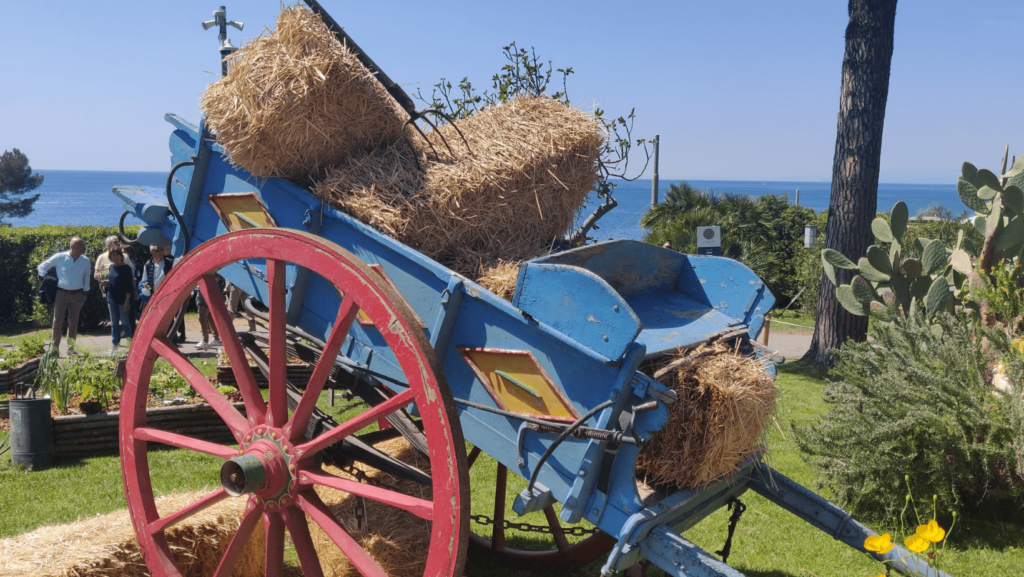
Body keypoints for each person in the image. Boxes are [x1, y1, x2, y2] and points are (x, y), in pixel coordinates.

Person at [37, 237, 91, 354]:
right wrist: (48, 280)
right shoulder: (60, 257)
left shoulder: (85, 260)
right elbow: (42, 267)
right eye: (80, 245)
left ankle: (71, 350)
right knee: (57, 321)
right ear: (73, 247)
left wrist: (84, 294)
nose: (83, 247)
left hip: (78, 294)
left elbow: (87, 277)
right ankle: (54, 349)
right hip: (61, 293)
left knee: (73, 323)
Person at [141, 246, 186, 342]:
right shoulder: (148, 265)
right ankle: (160, 339)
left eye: (162, 249)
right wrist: (146, 285)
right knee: (156, 318)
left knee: (168, 317)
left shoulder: (170, 262)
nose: (161, 252)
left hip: (167, 294)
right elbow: (144, 279)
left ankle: (173, 339)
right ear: (152, 252)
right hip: (154, 295)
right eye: (158, 250)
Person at [104, 247, 135, 355]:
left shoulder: (127, 268)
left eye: (117, 255)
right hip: (111, 298)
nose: (115, 257)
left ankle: (130, 345)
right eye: (113, 256)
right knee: (114, 323)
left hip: (123, 299)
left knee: (125, 322)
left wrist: (127, 301)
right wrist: (106, 284)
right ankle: (114, 346)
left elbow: (129, 286)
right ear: (110, 258)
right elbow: (112, 282)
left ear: (121, 256)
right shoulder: (111, 267)